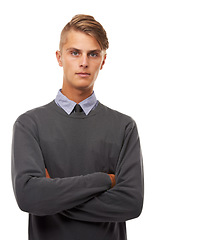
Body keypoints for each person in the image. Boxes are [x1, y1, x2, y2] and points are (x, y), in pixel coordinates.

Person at [11, 14, 144, 240]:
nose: (84, 62)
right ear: (59, 57)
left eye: (93, 54)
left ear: (102, 60)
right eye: (75, 52)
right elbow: (29, 198)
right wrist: (105, 180)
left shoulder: (124, 127)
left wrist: (52, 196)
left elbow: (131, 203)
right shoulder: (29, 124)